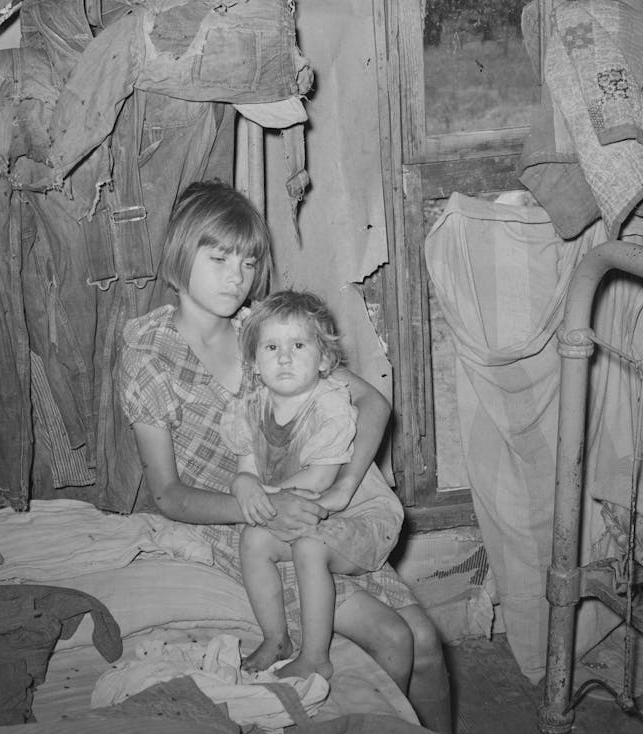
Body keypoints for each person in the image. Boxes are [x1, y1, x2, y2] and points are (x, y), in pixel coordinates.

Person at [117, 180, 452, 732]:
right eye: (219, 258)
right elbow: (168, 495)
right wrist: (266, 506)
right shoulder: (149, 358)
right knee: (397, 638)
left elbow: (371, 400)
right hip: (239, 526)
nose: (237, 276)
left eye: (248, 263)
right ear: (178, 258)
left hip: (317, 505)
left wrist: (343, 487)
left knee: (429, 644)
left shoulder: (264, 329)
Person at [220, 290, 404, 682]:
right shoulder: (250, 408)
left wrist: (258, 492)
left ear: (323, 360)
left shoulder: (330, 405)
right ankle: (276, 639)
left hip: (361, 515)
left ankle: (315, 655)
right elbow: (247, 468)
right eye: (271, 347)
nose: (284, 357)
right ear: (254, 362)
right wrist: (242, 483)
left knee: (310, 546)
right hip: (309, 510)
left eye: (298, 345)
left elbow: (320, 480)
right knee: (252, 541)